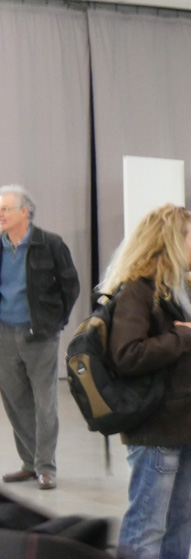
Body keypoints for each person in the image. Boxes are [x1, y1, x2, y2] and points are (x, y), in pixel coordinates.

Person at [99, 204, 191, 559]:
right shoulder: (137, 291)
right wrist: (183, 337)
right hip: (157, 430)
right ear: (172, 242)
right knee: (147, 527)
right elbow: (127, 354)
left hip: (188, 430)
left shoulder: (179, 290)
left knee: (180, 523)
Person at [0, 184, 79, 491]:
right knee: (15, 403)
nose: (1, 214)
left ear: (25, 212)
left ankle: (46, 467)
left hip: (40, 336)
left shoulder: (50, 244)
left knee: (45, 403)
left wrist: (55, 321)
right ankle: (29, 463)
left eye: (6, 209)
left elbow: (70, 286)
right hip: (5, 334)